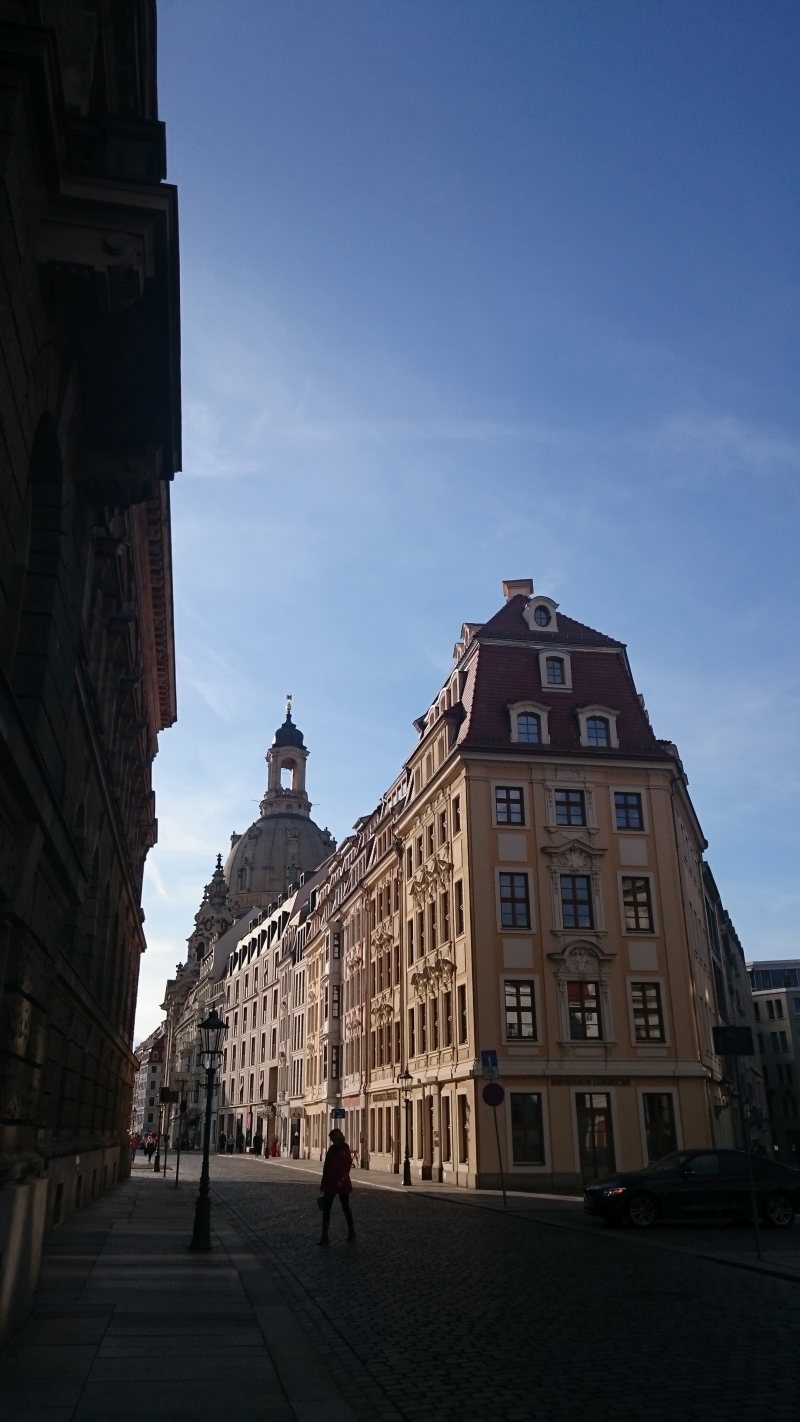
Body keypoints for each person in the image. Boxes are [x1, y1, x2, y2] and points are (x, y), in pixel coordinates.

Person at [318, 1128, 355, 1246]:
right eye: (331, 1139)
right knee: (326, 1210)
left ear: (337, 1138)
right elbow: (326, 1167)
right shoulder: (331, 1150)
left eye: (333, 1138)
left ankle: (351, 1232)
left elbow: (347, 1166)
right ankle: (324, 1236)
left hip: (341, 1183)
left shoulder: (345, 1149)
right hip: (330, 1183)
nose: (332, 1141)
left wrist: (342, 1179)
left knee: (346, 1208)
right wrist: (323, 1184)